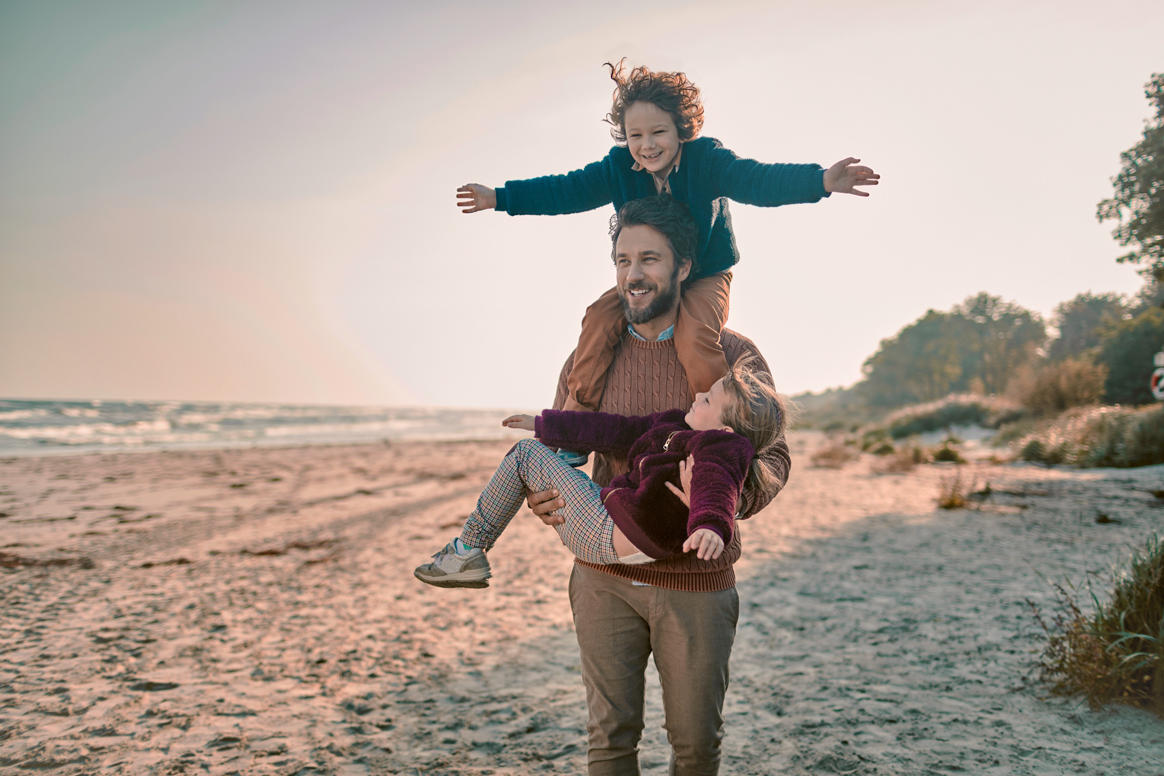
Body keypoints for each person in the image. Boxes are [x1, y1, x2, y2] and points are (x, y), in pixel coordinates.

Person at [521, 194, 791, 775]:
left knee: (695, 745)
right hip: (602, 578)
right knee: (610, 738)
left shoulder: (732, 356)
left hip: (693, 583)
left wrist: (718, 500)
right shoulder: (588, 357)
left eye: (648, 259)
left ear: (683, 268)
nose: (633, 274)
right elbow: (562, 449)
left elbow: (776, 459)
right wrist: (545, 501)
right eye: (622, 260)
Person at [456, 59, 877, 425]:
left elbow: (756, 179)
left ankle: (718, 424)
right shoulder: (619, 167)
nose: (647, 145)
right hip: (648, 274)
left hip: (705, 273)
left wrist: (819, 181)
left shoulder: (707, 160)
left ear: (681, 129)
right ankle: (575, 421)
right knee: (598, 318)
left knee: (694, 335)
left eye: (658, 132)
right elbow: (567, 190)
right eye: (635, 135)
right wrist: (500, 197)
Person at [413, 361, 789, 588]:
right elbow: (615, 430)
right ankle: (471, 548)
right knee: (536, 447)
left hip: (611, 529)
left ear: (726, 430)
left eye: (708, 399)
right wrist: (545, 424)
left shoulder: (722, 448)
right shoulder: (677, 425)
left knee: (526, 455)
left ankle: (467, 551)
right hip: (620, 530)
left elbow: (716, 485)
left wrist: (710, 525)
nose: (698, 394)